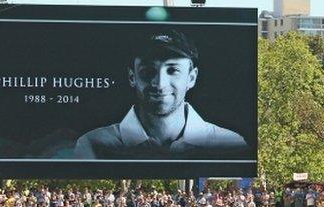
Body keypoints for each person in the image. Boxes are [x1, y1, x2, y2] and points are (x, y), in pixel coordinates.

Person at [74, 29, 249, 159]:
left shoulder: (230, 143)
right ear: (131, 77)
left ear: (192, 78)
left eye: (172, 70)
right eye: (148, 71)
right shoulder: (93, 144)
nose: (159, 83)